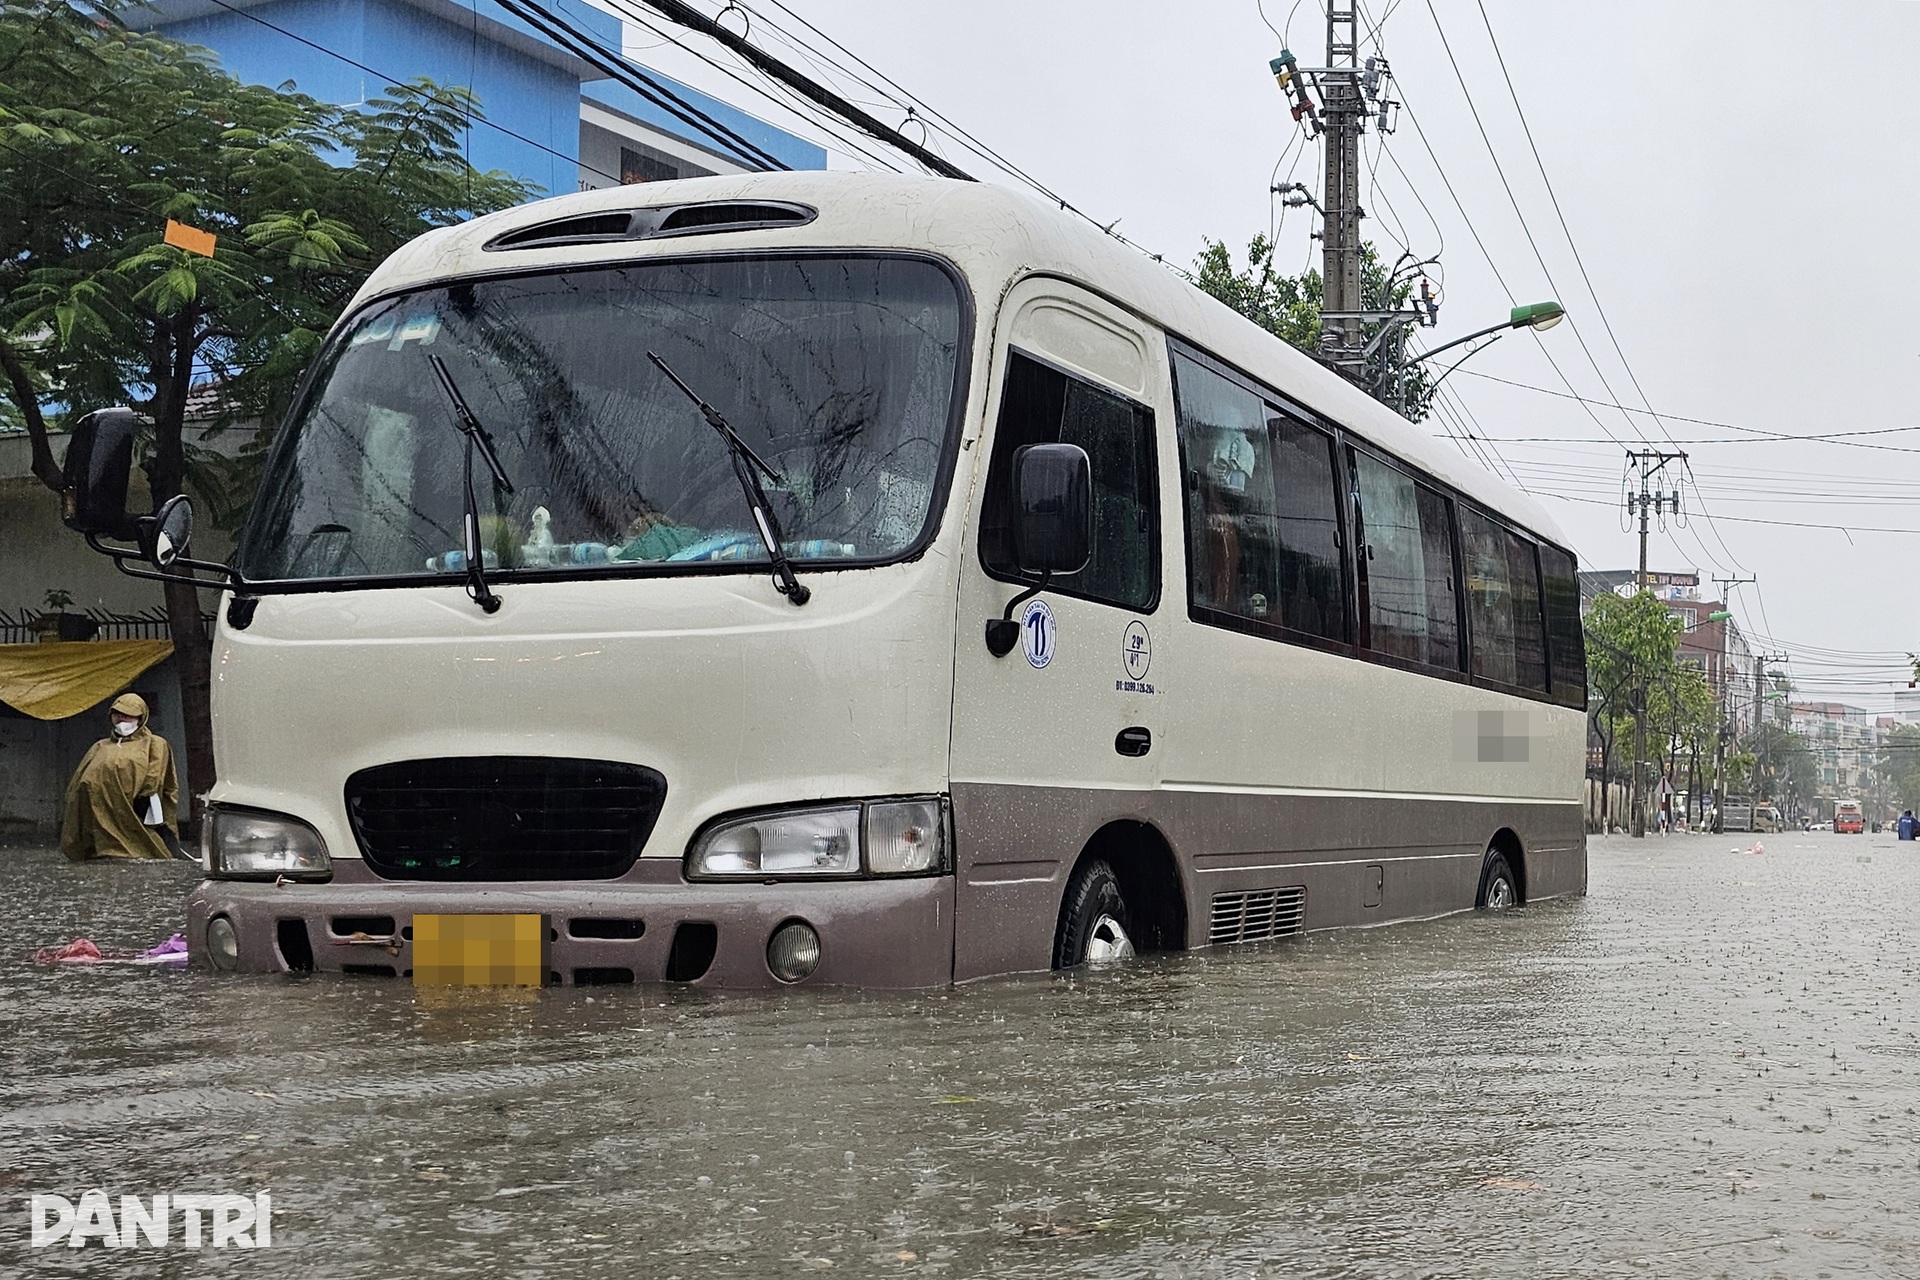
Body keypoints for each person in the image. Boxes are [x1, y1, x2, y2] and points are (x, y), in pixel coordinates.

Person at [60, 693, 179, 861]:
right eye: (117, 714)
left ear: (141, 716)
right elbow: (81, 777)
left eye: (128, 714)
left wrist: (143, 796)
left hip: (133, 806)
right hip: (99, 807)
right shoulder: (100, 746)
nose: (122, 719)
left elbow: (156, 774)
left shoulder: (154, 743)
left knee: (143, 840)